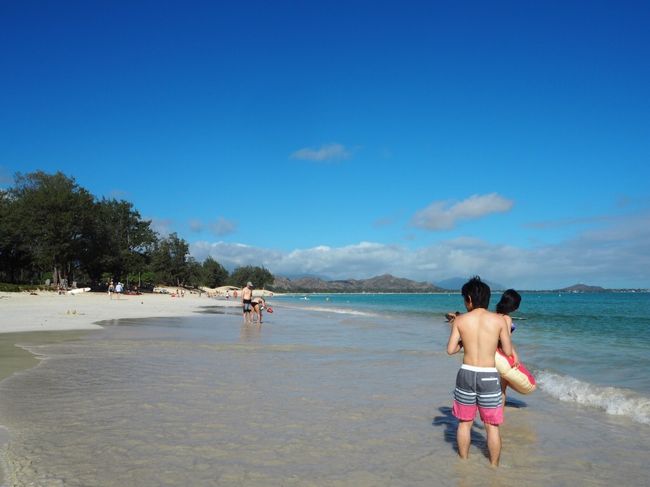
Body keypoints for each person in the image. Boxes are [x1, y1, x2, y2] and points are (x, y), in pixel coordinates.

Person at [446, 276, 513, 466]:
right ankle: (493, 467)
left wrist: (462, 340)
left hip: (466, 373)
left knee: (464, 423)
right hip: (489, 376)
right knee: (492, 426)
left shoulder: (460, 320)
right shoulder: (499, 321)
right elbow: (507, 351)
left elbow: (450, 350)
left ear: (468, 299)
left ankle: (463, 463)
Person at [495, 289, 522, 402]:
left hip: (491, 352)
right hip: (502, 354)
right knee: (502, 388)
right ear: (513, 306)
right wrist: (514, 355)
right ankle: (499, 416)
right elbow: (506, 340)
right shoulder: (507, 318)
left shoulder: (494, 315)